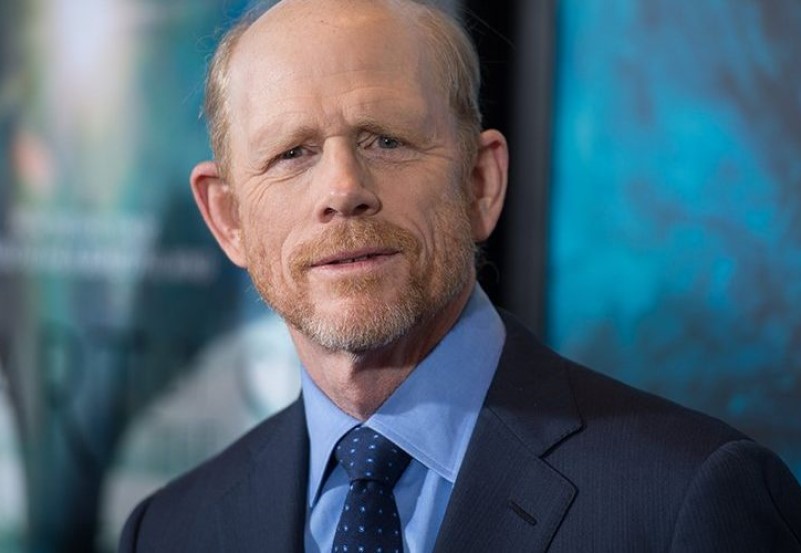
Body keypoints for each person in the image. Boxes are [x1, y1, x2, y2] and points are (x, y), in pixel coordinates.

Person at [119, 0, 801, 551]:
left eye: (385, 139)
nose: (343, 190)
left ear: (480, 183)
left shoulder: (690, 498)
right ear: (228, 218)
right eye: (293, 153)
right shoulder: (170, 531)